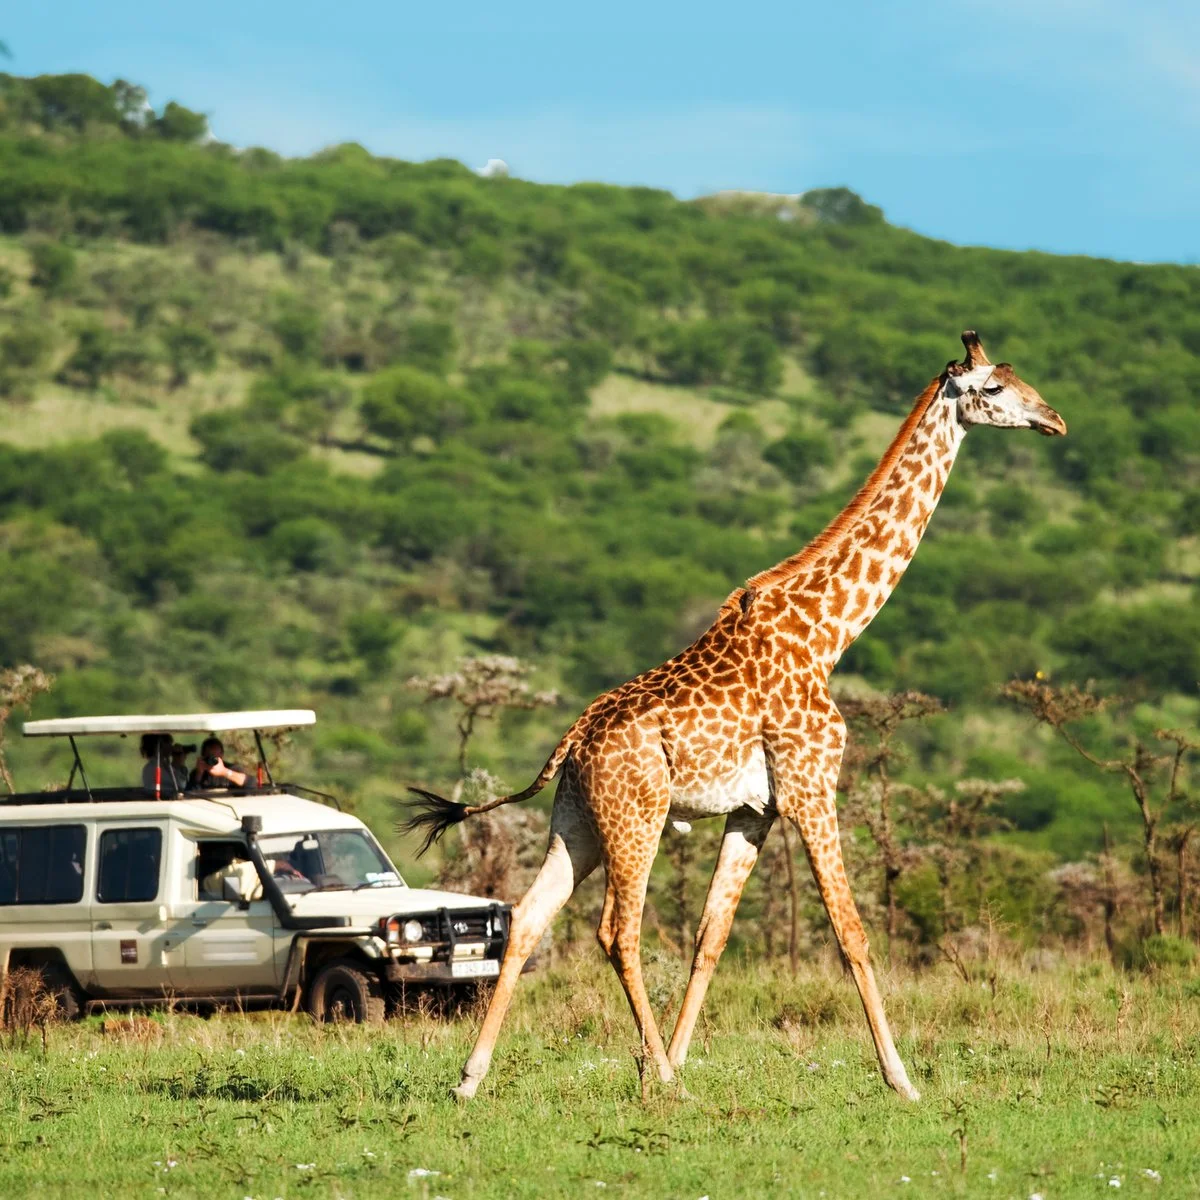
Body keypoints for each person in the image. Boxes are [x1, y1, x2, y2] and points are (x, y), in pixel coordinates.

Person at [187, 737, 253, 791]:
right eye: (209, 757)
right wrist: (199, 774)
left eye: (215, 757)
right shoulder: (197, 773)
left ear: (222, 755)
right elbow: (189, 792)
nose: (212, 760)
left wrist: (224, 771)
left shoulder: (233, 769)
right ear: (203, 756)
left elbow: (251, 783)